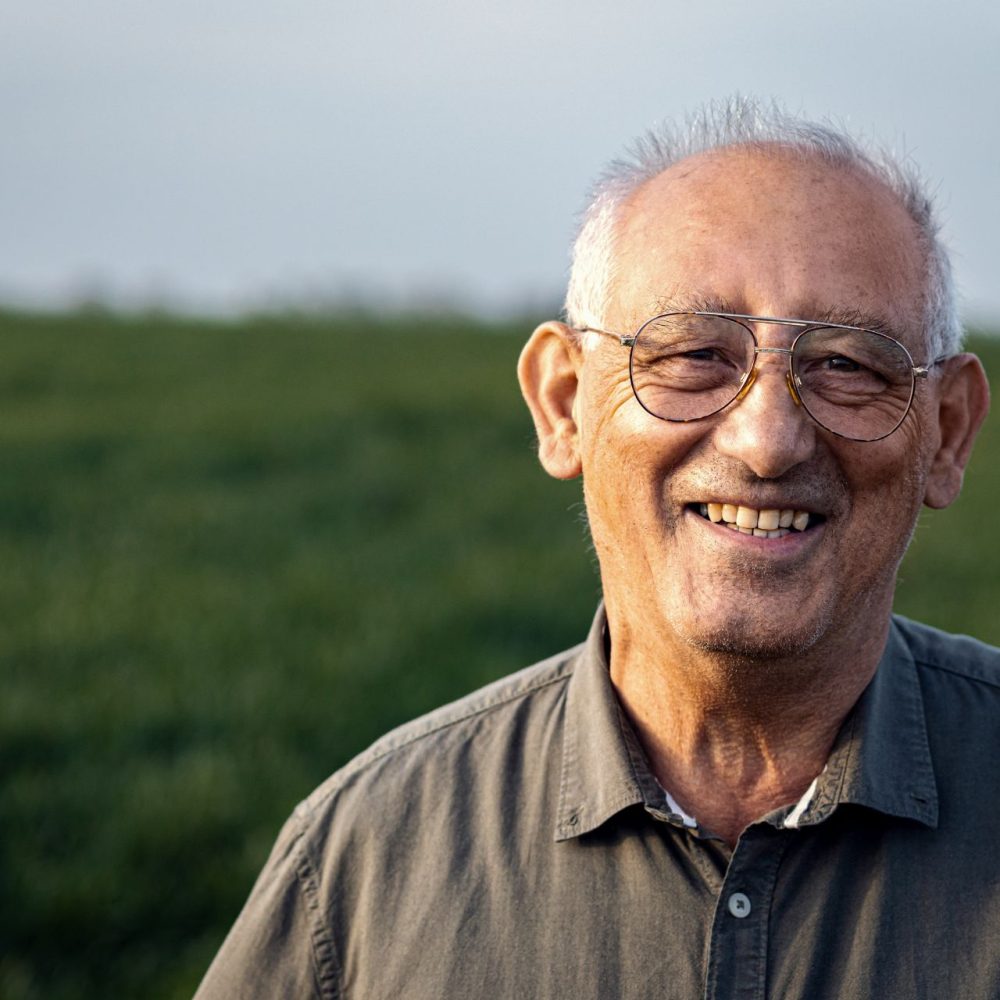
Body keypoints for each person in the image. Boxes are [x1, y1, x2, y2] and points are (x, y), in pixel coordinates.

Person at [195, 98, 996, 999]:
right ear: (563, 403)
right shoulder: (365, 864)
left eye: (848, 363)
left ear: (948, 431)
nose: (768, 441)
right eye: (692, 353)